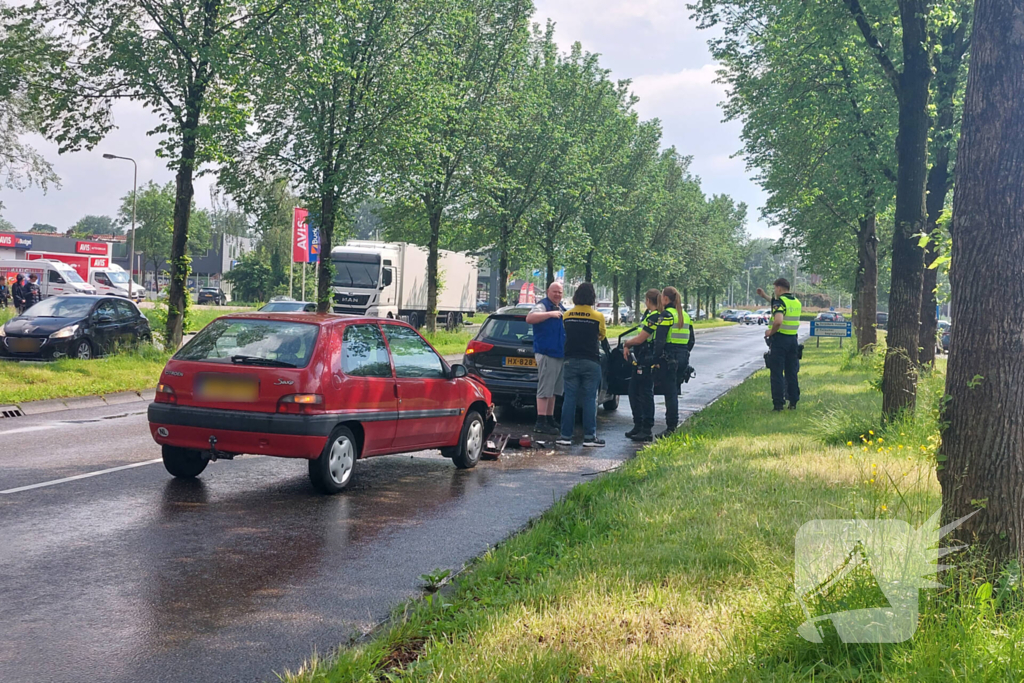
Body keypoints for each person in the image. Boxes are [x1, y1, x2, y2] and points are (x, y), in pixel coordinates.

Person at [556, 282, 608, 448]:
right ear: (592, 297)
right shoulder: (597, 316)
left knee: (569, 398)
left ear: (576, 296)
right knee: (589, 398)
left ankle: (565, 436)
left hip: (570, 360)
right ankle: (589, 437)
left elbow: (566, 332)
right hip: (591, 360)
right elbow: (602, 335)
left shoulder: (567, 315)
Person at [525, 281, 566, 434]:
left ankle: (549, 418)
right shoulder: (543, 306)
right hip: (546, 352)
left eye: (560, 292)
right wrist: (549, 314)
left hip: (558, 353)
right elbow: (530, 318)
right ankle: (540, 421)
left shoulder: (561, 308)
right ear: (548, 291)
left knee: (554, 389)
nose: (557, 295)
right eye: (555, 291)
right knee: (545, 388)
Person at [620, 289, 661, 439]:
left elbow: (641, 338)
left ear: (648, 301)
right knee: (634, 392)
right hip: (640, 358)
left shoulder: (655, 316)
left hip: (647, 359)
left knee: (645, 394)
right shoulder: (649, 315)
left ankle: (646, 429)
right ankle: (638, 425)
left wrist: (627, 343)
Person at [757, 278, 802, 410]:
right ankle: (793, 401)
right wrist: (764, 295)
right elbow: (777, 305)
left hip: (780, 341)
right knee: (791, 372)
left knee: (777, 372)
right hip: (793, 340)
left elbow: (778, 320)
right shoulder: (795, 302)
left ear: (779, 288)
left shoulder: (779, 301)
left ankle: (778, 404)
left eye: (775, 288)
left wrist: (770, 332)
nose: (774, 291)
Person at [655, 286, 693, 437]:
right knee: (674, 392)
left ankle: (671, 427)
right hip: (683, 357)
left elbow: (660, 340)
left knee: (669, 393)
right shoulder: (685, 315)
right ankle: (673, 425)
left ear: (665, 299)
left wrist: (656, 359)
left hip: (669, 357)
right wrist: (684, 353)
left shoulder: (666, 315)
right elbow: (691, 340)